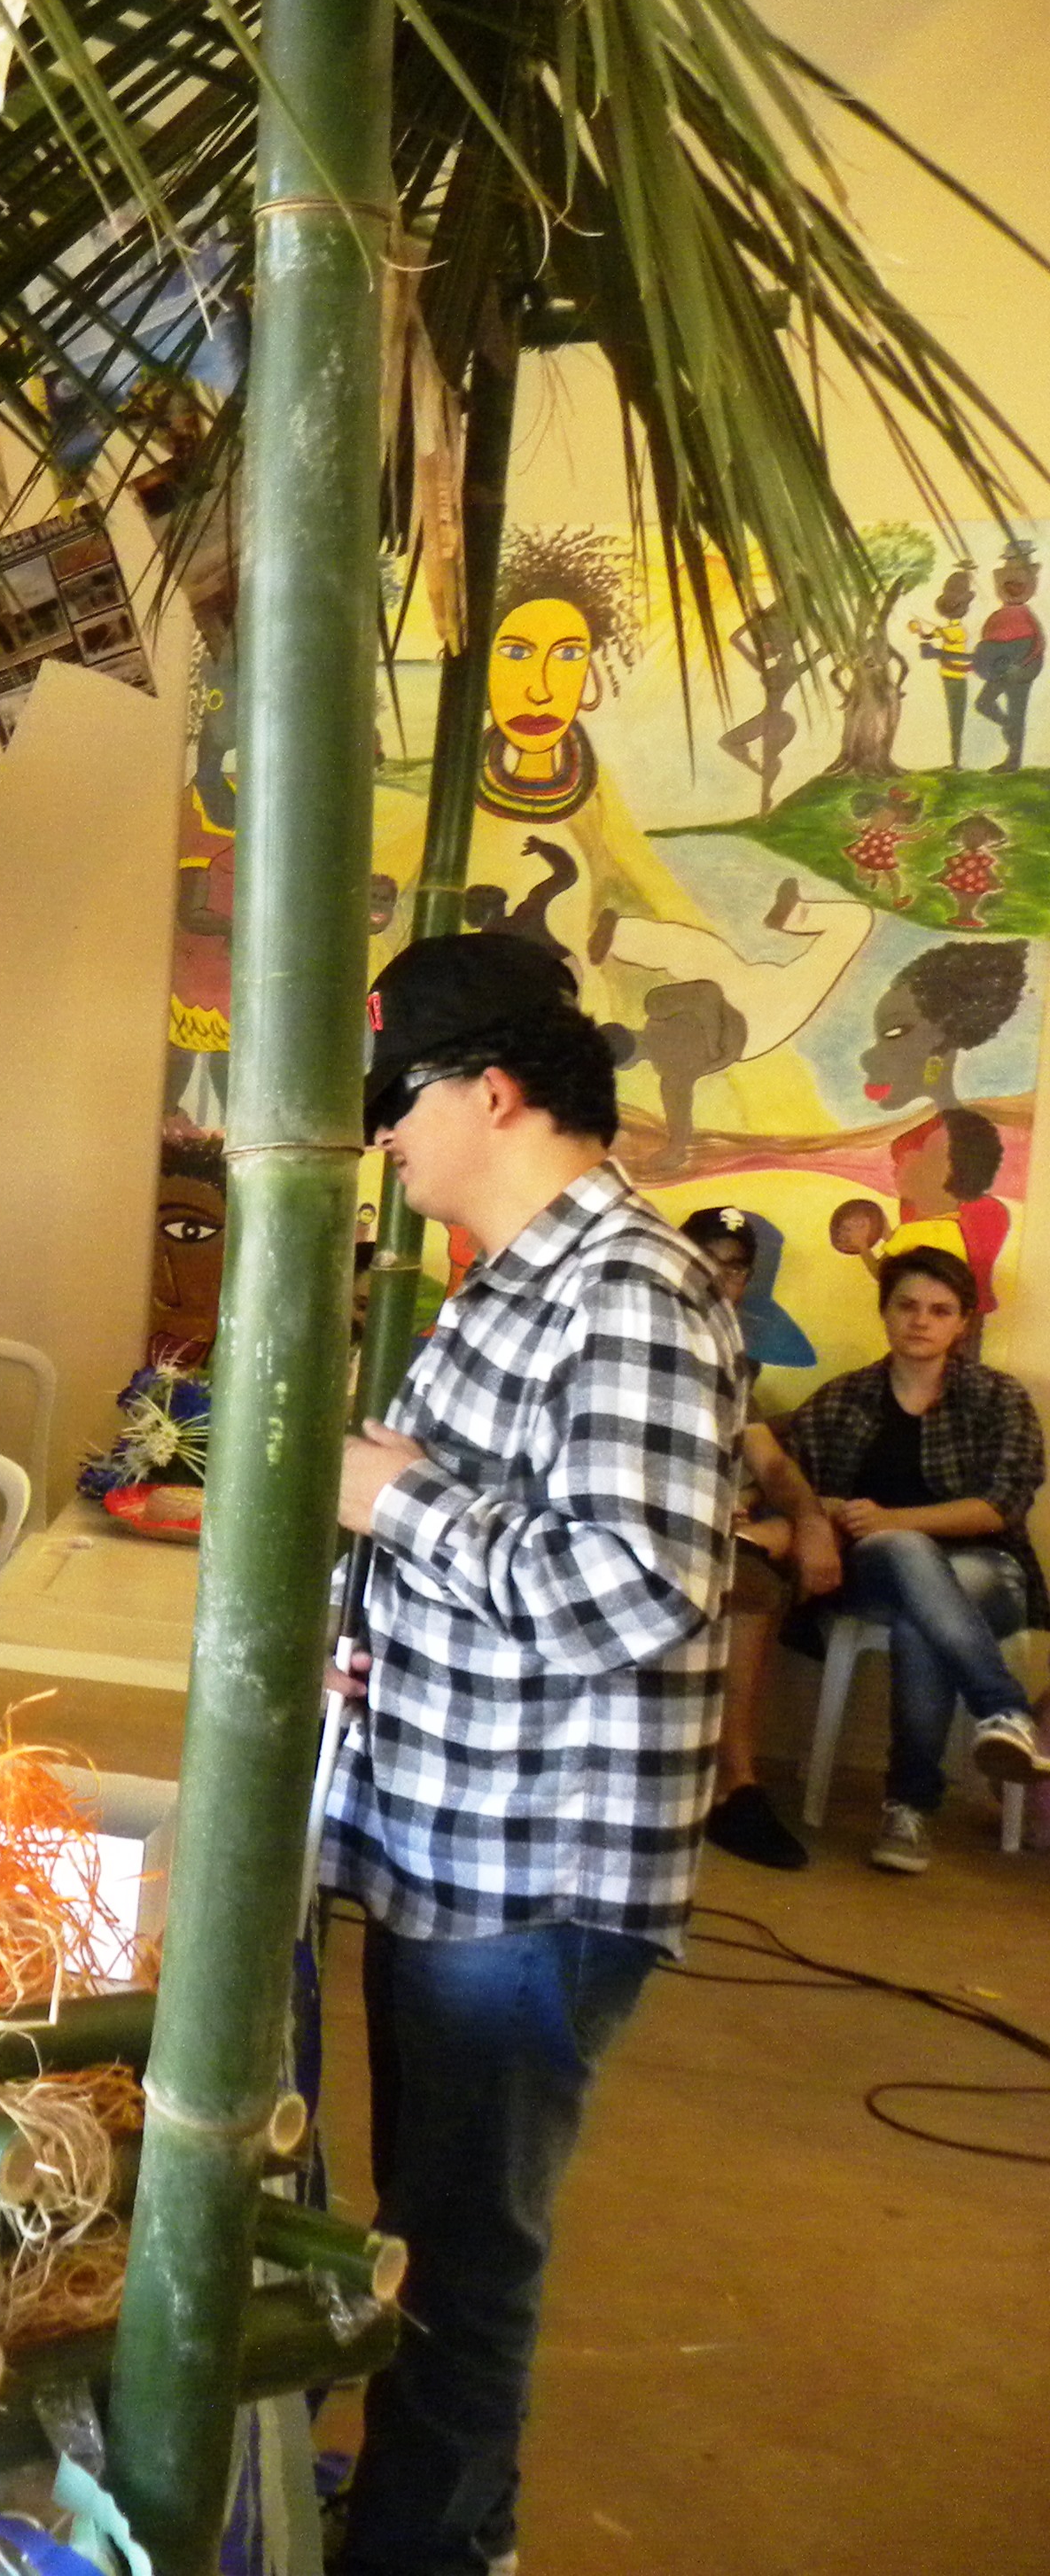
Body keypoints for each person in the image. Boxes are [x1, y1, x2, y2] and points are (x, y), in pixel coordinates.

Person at [324, 932, 744, 2576]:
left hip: (531, 1873)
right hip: (453, 1843)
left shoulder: (626, 1288)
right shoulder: (514, 1280)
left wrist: (399, 1503)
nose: (385, 1137)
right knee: (427, 2230)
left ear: (491, 1092)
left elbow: (640, 1585)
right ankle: (442, 2515)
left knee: (461, 2258)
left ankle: (431, 2553)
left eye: (399, 1103)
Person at [776, 1244, 1050, 1874]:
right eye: (907, 1306)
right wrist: (830, 1510)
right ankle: (1003, 1711)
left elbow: (1000, 1506)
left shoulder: (997, 1397)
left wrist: (893, 1520)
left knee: (917, 1607)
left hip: (989, 1572)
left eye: (940, 1310)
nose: (921, 1320)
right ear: (885, 1312)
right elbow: (794, 1487)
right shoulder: (844, 1398)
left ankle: (909, 1809)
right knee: (902, 1557)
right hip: (871, 1573)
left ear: (963, 1322)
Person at [678, 1205, 830, 1871]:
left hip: (711, 1537)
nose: (720, 1279)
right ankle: (727, 1783)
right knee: (745, 1575)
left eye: (736, 1269)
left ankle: (734, 1785)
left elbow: (770, 1464)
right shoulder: (632, 1335)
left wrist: (809, 1522)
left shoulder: (729, 1363)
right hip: (632, 1536)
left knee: (757, 1578)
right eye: (705, 1260)